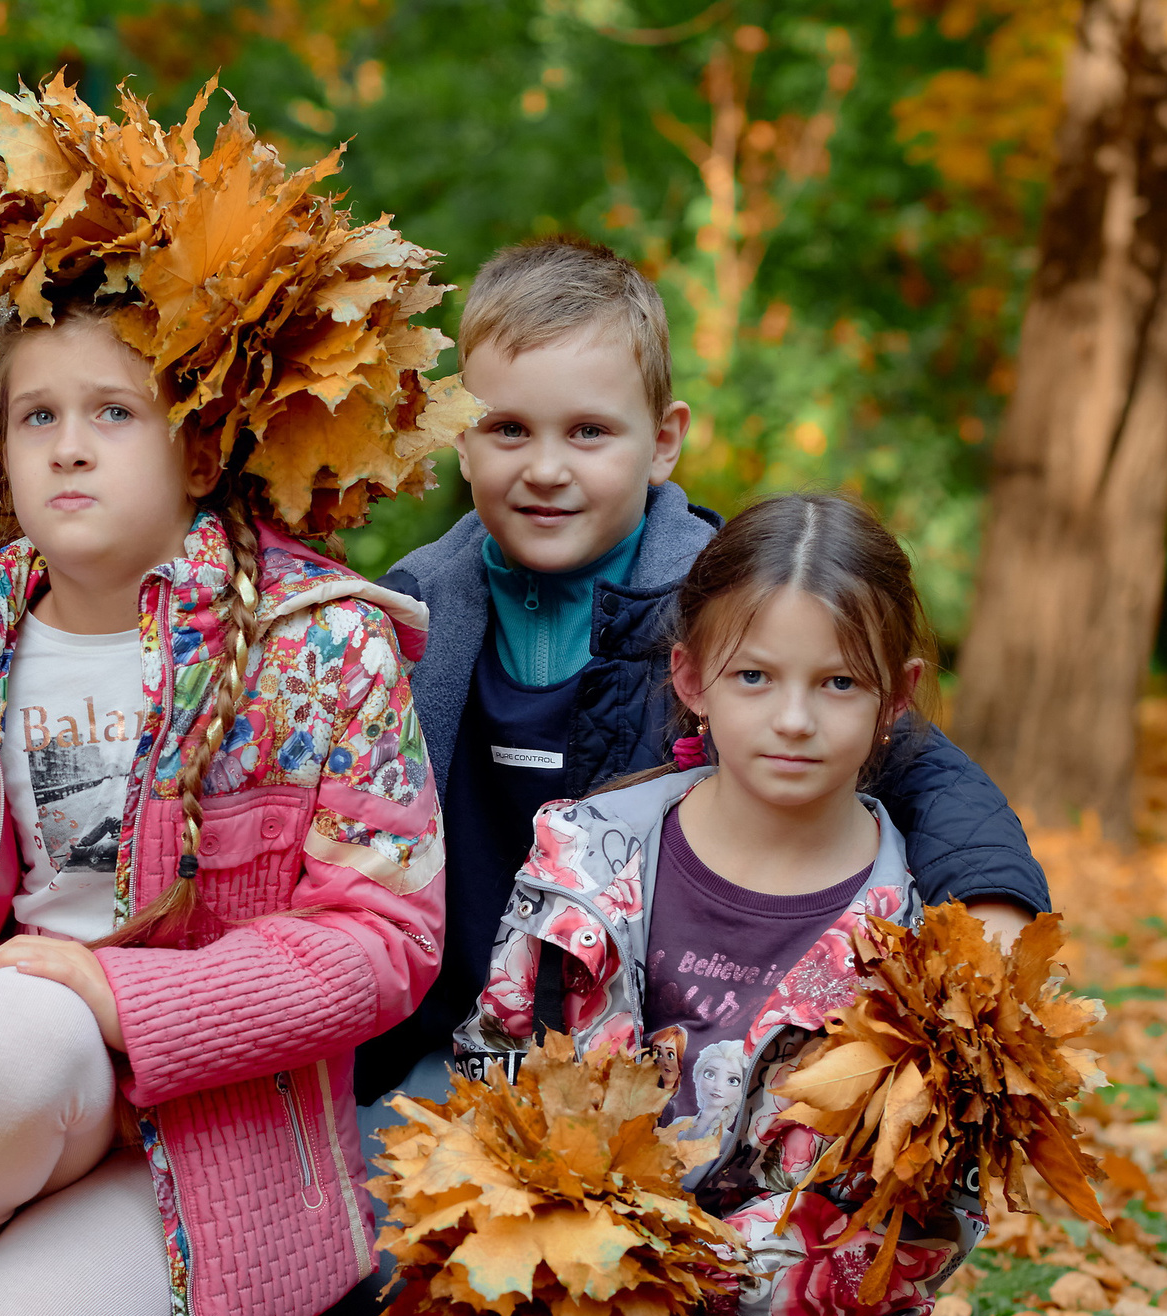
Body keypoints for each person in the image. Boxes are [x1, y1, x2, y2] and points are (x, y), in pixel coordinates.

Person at [0, 80, 460, 1316]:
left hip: (205, 1122)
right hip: (2, 1089)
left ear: (200, 433)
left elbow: (385, 938)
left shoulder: (315, 639)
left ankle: (162, 1305)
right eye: (35, 415)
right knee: (6, 1030)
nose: (67, 447)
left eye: (113, 412)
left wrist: (120, 1001)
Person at [325, 493, 1137, 1316]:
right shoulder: (587, 853)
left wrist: (682, 1276)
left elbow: (924, 1212)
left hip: (776, 1302)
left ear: (897, 699)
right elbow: (500, 1069)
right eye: (754, 677)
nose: (792, 719)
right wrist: (552, 1245)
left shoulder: (919, 941)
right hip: (579, 1278)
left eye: (837, 683)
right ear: (692, 679)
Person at [354, 236, 1048, 1133]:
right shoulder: (404, 616)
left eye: (591, 431)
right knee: (378, 1253)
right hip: (446, 1042)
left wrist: (989, 902)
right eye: (508, 429)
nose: (547, 467)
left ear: (664, 441)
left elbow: (918, 763)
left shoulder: (725, 611)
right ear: (460, 438)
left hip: (651, 1054)